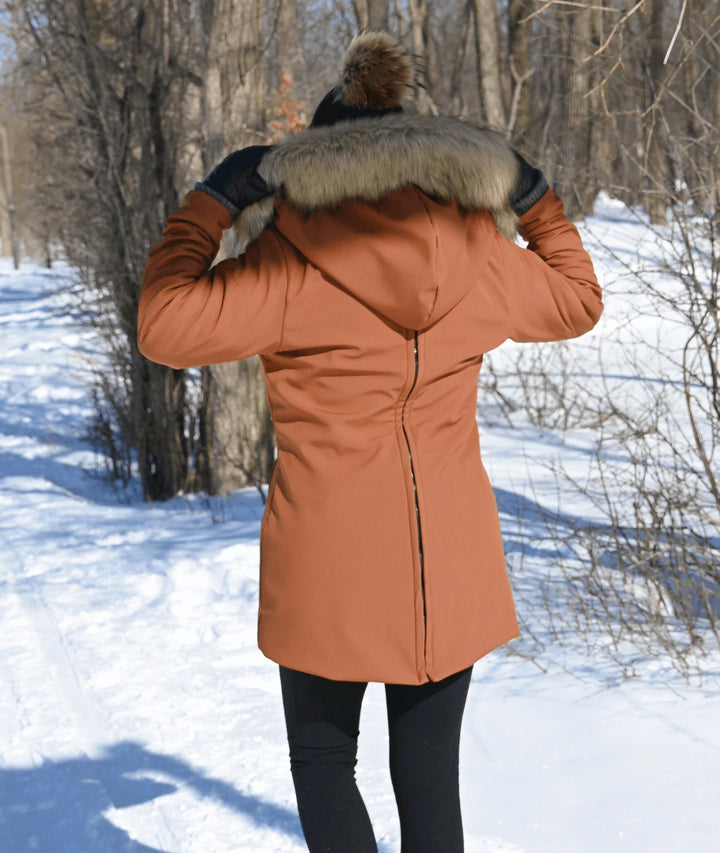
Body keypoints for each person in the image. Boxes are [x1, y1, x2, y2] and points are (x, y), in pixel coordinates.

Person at [138, 31, 602, 853]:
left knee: (324, 762)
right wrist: (532, 196)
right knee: (429, 780)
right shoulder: (481, 254)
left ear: (316, 161)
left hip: (328, 560)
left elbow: (163, 324)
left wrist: (214, 198)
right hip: (448, 560)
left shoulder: (288, 261)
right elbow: (578, 299)